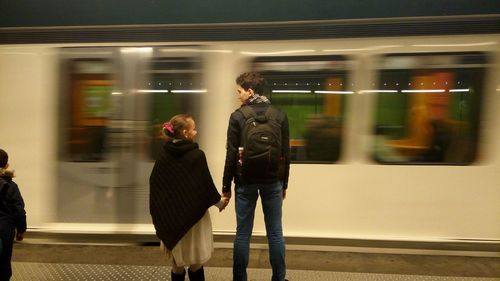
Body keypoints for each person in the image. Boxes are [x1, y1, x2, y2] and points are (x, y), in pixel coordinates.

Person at [222, 72, 290, 281]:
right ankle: (279, 278)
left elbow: (231, 154)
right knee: (275, 234)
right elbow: (285, 154)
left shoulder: (237, 116)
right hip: (273, 181)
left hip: (245, 181)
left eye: (240, 91)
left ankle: (239, 278)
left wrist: (226, 186)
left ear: (250, 91)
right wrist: (284, 183)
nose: (238, 95)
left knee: (243, 234)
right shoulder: (279, 115)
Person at [149, 114, 229, 281]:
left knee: (177, 266)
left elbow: (156, 187)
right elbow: (205, 186)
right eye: (193, 129)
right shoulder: (197, 156)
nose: (196, 131)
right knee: (196, 264)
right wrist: (220, 203)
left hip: (170, 220)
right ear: (185, 133)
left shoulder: (163, 157)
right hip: (194, 221)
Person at [0, 149, 27, 281]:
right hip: (4, 232)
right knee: (3, 266)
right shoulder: (11, 186)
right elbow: (19, 211)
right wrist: (21, 231)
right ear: (6, 165)